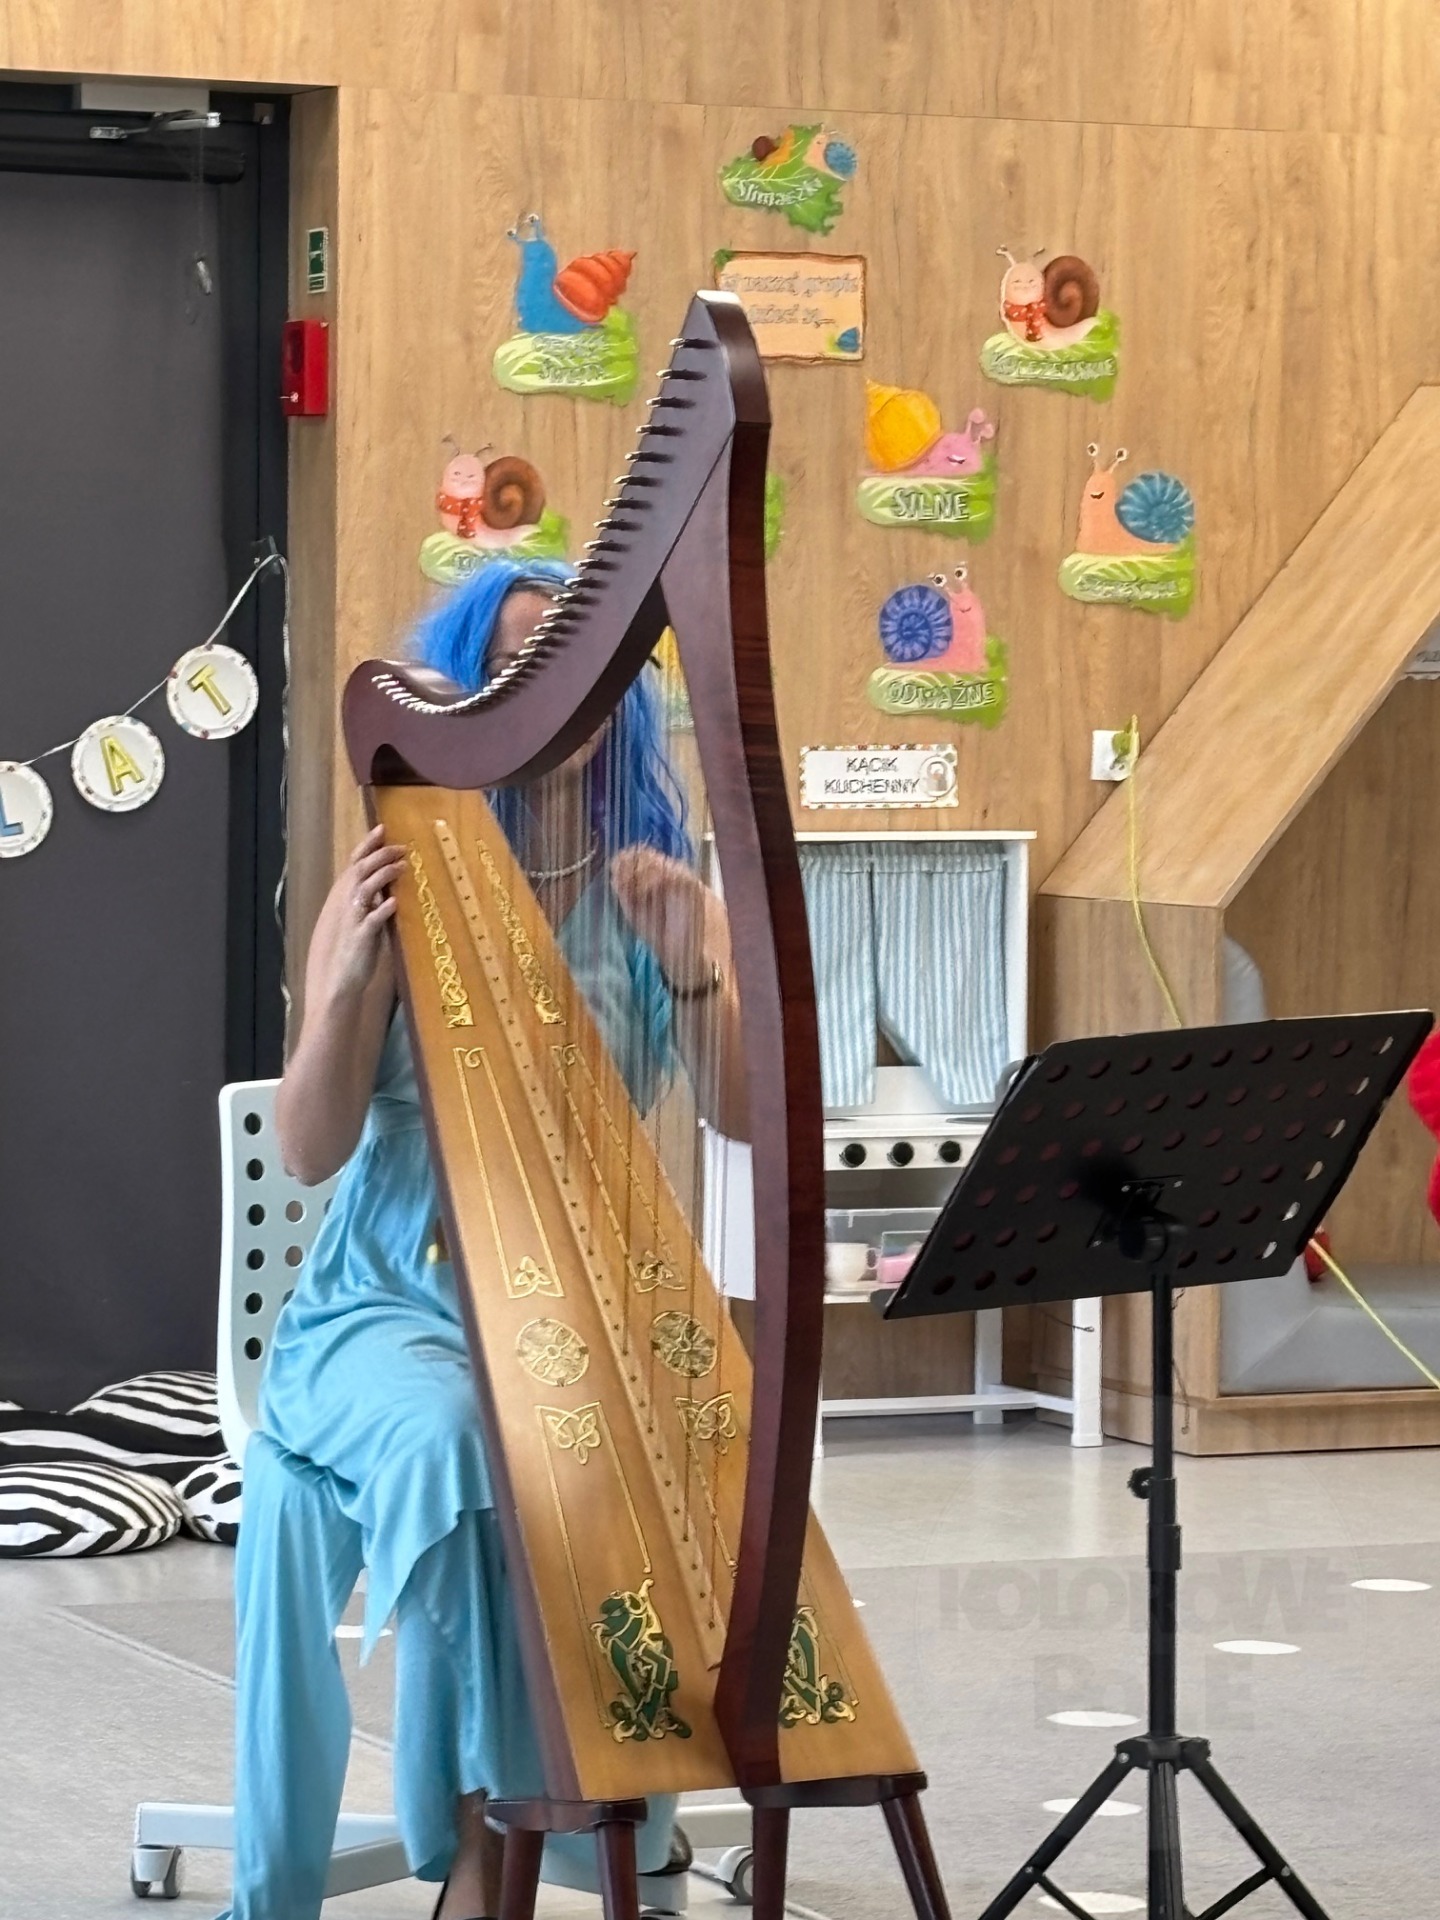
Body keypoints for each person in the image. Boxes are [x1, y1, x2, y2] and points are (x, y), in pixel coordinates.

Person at [222, 558, 746, 1920]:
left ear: (608, 694)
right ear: (462, 697)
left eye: (563, 665)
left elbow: (744, 1114)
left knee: (667, 1435)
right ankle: (480, 1854)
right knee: (468, 1434)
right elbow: (311, 1147)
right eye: (508, 667)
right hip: (388, 1307)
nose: (538, 693)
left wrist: (698, 968)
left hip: (585, 1305)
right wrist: (350, 985)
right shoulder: (395, 880)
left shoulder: (650, 891)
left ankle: (573, 1813)